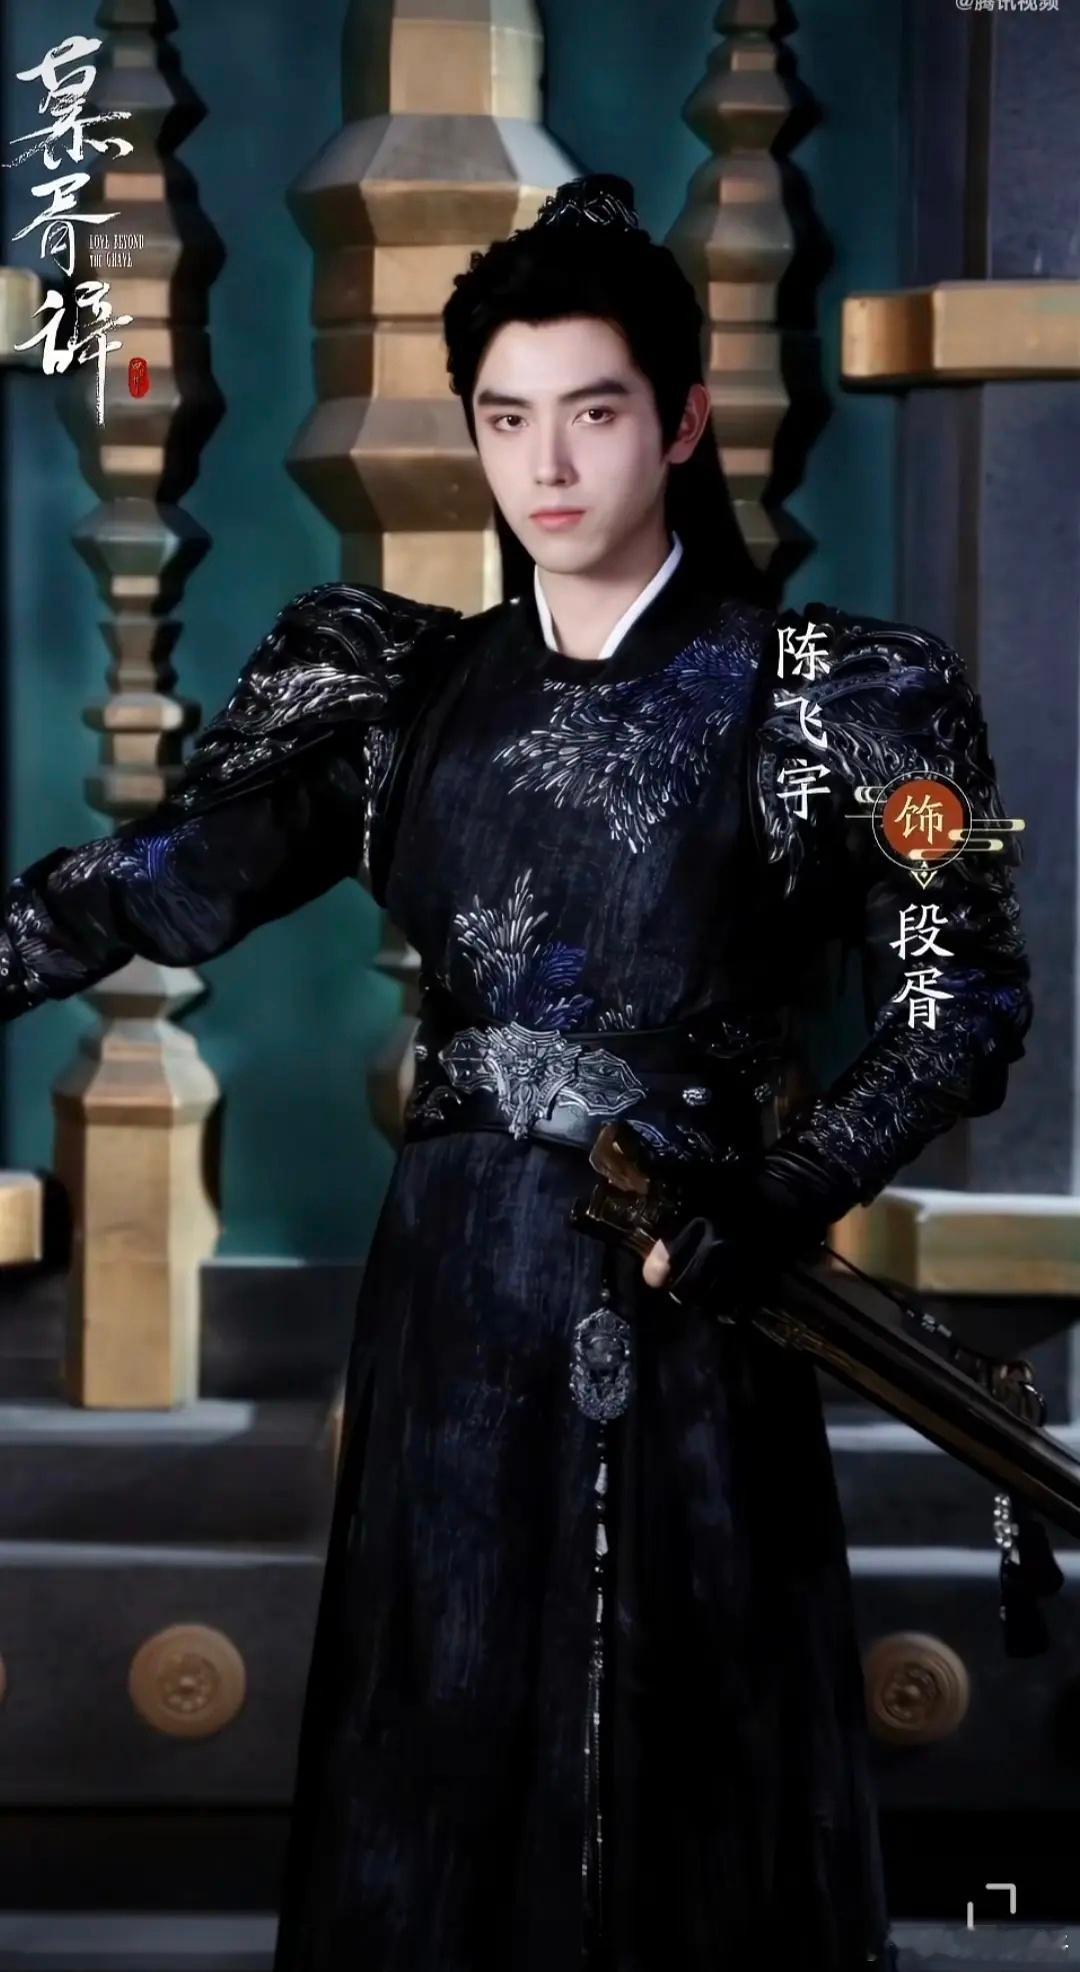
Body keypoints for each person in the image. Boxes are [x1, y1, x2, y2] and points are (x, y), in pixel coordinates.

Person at [0, 174, 1032, 1971]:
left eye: (595, 413)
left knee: (686, 1754)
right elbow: (150, 887)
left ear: (683, 421)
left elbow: (965, 1001)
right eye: (506, 418)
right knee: (446, 1708)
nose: (547, 466)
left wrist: (788, 1188)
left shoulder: (833, 698)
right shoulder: (402, 696)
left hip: (694, 1290)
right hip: (456, 1296)